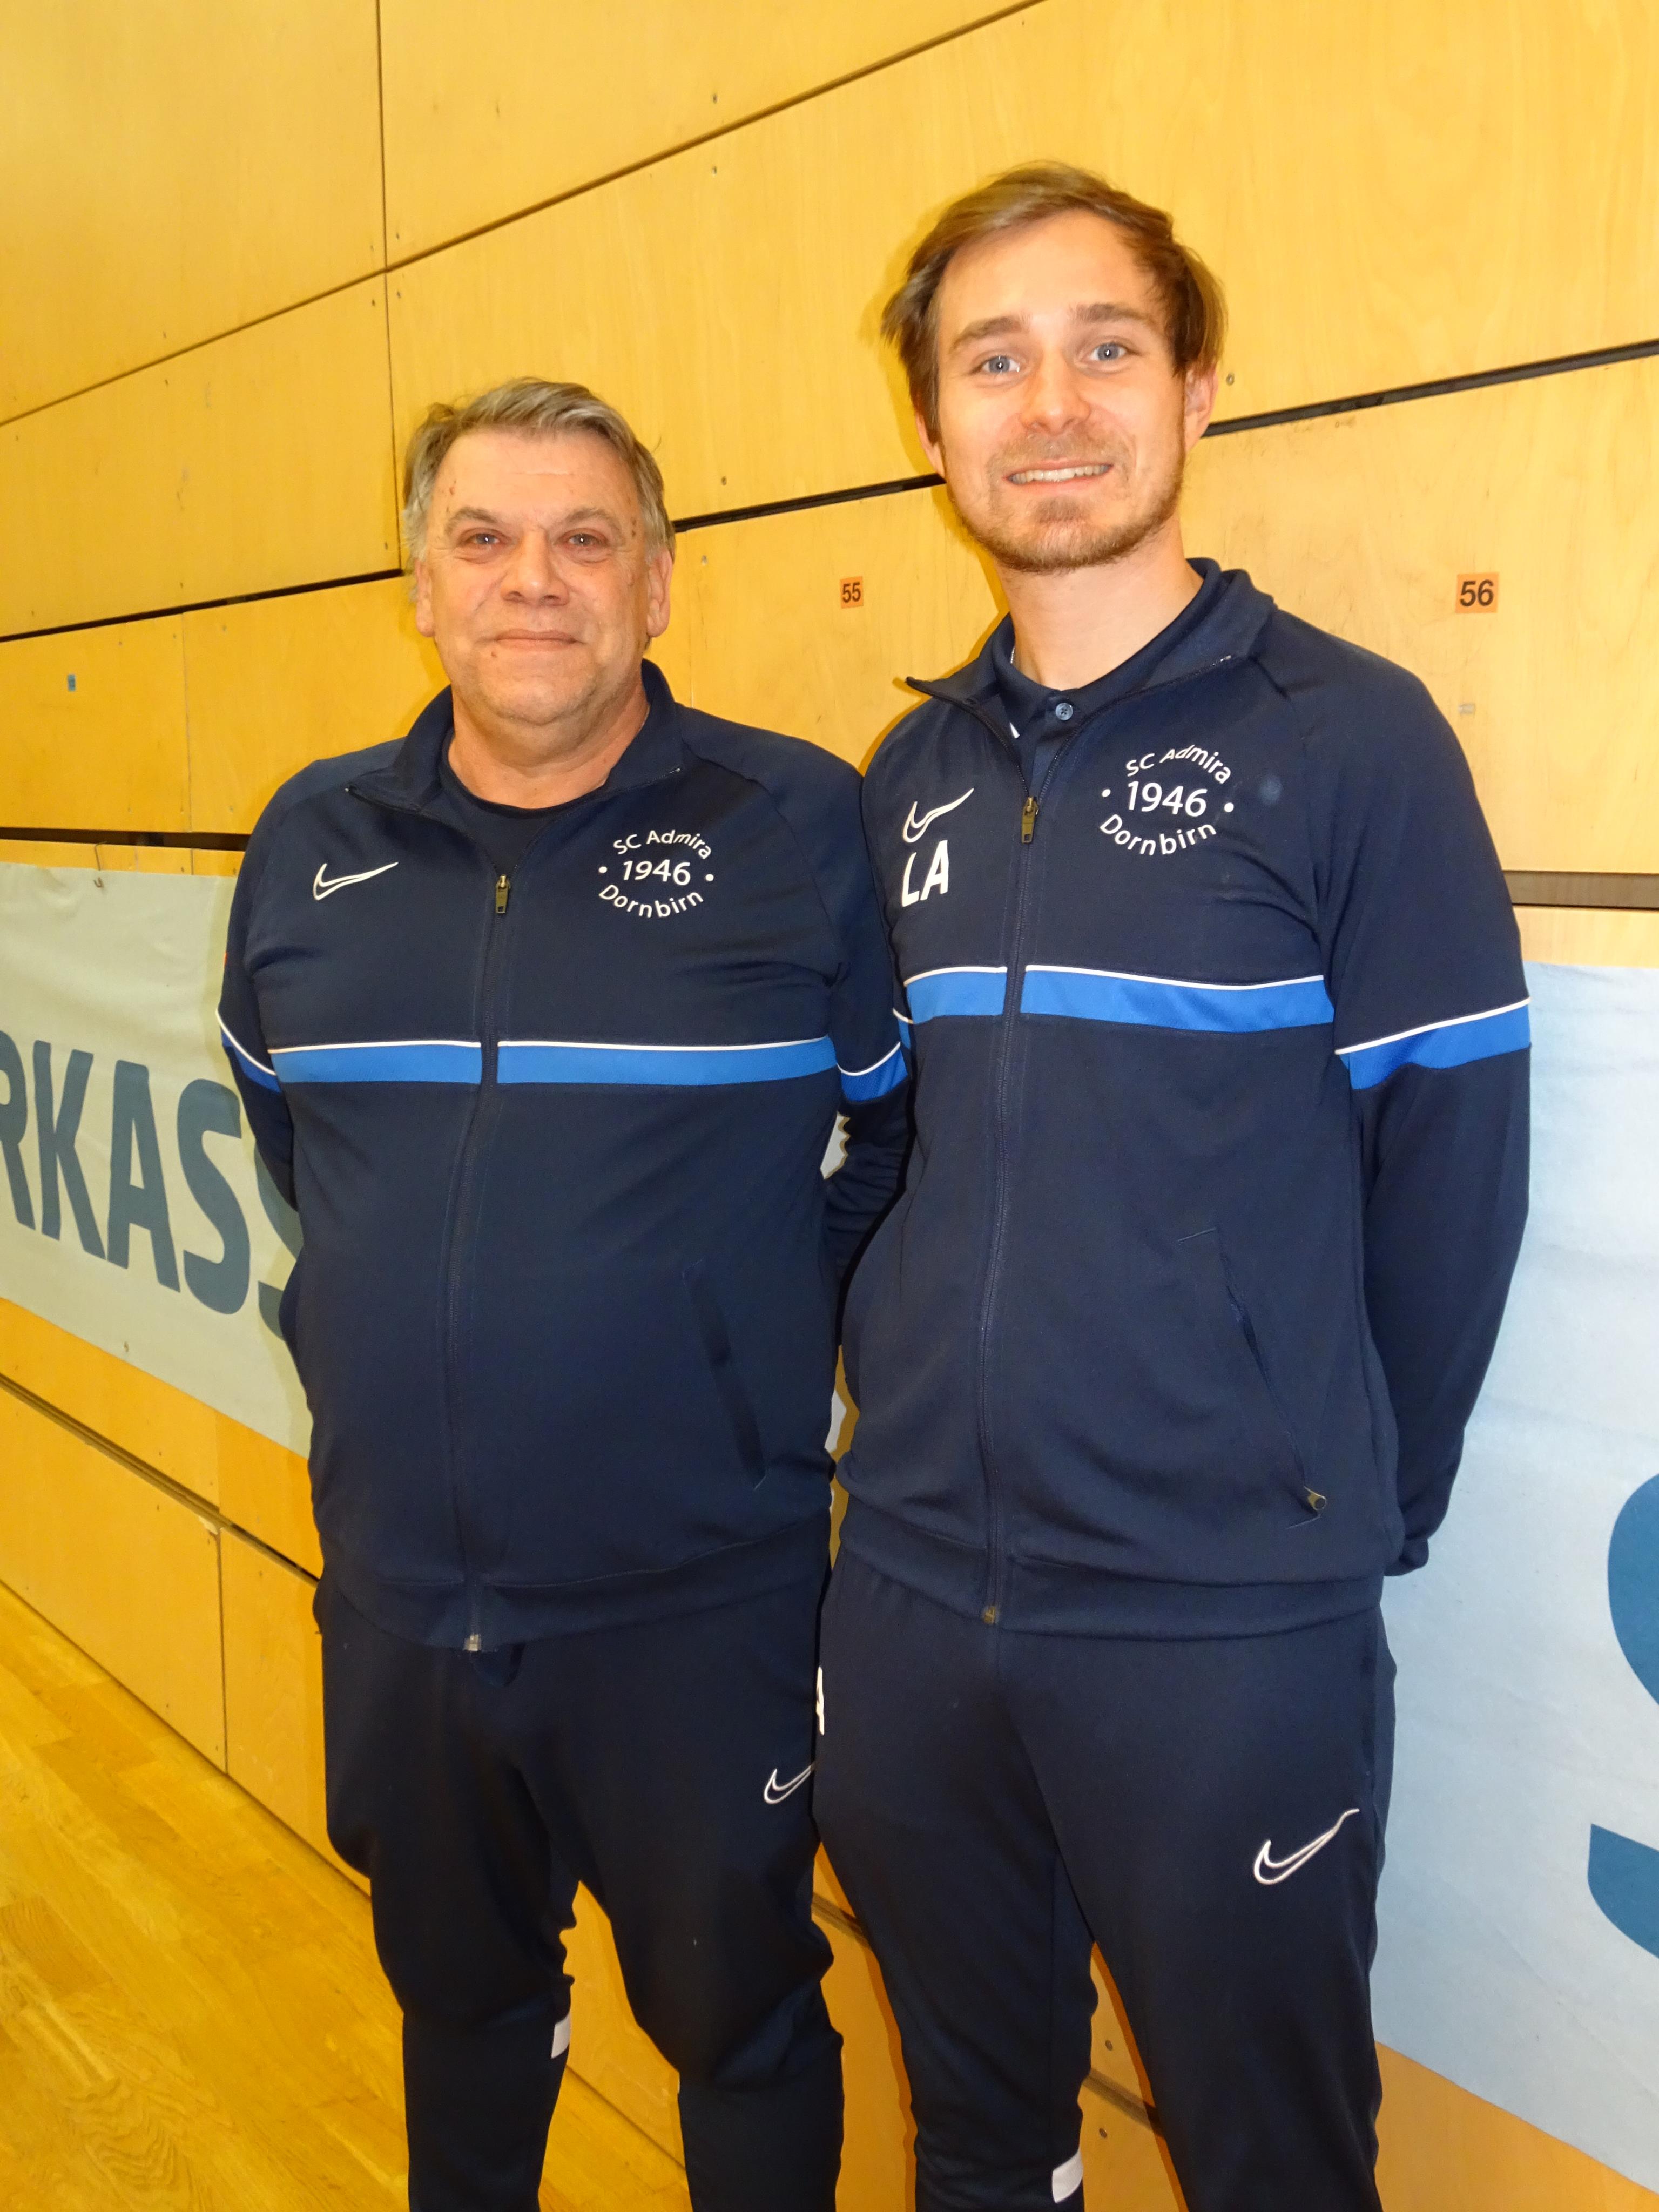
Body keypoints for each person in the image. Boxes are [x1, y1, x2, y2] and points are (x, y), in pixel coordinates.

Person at [814, 166, 1530, 2211]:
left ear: (1198, 388)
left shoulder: (1353, 738)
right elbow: (896, 1148)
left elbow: (1453, 1170)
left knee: (1270, 2164)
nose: (1051, 405)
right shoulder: (913, 777)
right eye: (995, 361)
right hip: (915, 1591)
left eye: (1105, 347)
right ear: (932, 424)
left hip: (1222, 1621)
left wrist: (1332, 1492)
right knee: (978, 2145)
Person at [218, 377, 907, 2212]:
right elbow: (306, 1155)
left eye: (586, 539)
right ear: (422, 586)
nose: (535, 580)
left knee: (740, 2024)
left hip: (700, 1602)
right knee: (461, 2004)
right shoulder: (307, 840)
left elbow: (901, 1142)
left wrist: (740, 1327)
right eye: (485, 539)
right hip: (399, 1590)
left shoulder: (797, 825)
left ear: (656, 586)